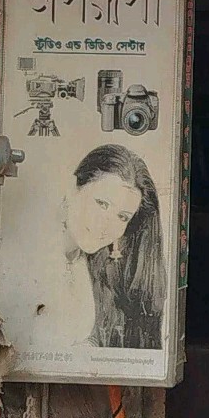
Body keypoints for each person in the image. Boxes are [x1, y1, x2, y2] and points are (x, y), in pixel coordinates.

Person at [66, 144, 165, 350]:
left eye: (122, 217)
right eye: (102, 204)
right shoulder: (36, 248)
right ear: (73, 188)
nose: (106, 225)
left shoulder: (94, 268)